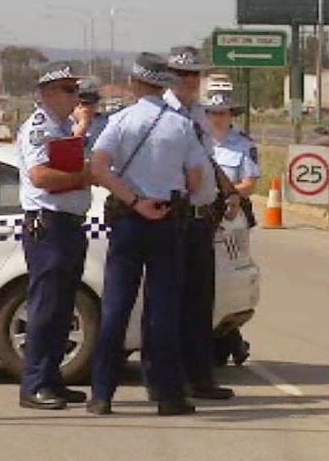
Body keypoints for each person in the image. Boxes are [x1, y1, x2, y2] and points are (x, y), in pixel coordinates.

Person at [87, 52, 206, 417]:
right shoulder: (181, 125)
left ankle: (102, 395)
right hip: (168, 220)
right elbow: (196, 179)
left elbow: (98, 167)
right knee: (162, 311)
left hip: (128, 219)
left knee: (115, 307)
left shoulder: (120, 121)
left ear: (135, 84)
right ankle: (168, 396)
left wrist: (135, 199)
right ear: (164, 84)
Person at [15, 61, 93, 410]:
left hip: (69, 224)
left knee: (63, 308)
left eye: (75, 89)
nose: (74, 96)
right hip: (48, 224)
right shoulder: (39, 126)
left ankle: (52, 378)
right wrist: (84, 177)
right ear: (45, 93)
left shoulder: (63, 127)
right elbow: (41, 176)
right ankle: (33, 383)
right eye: (67, 89)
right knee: (46, 307)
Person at [164, 46, 240, 400]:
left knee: (199, 303)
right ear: (168, 76)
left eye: (195, 75)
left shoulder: (198, 113)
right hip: (172, 218)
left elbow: (207, 160)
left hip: (201, 220)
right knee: (171, 303)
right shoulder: (160, 112)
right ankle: (169, 380)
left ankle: (199, 377)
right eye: (183, 75)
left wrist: (229, 191)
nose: (190, 81)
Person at [203, 92, 261, 367]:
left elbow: (249, 183)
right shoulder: (196, 142)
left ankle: (228, 339)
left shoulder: (242, 145)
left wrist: (228, 195)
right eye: (212, 113)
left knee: (223, 278)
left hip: (231, 217)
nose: (217, 118)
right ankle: (230, 341)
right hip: (203, 215)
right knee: (208, 281)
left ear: (231, 116)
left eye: (222, 113)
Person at [72, 76, 109, 155]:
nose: (85, 108)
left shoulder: (105, 124)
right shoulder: (63, 124)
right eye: (81, 103)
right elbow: (70, 148)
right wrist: (83, 123)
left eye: (88, 103)